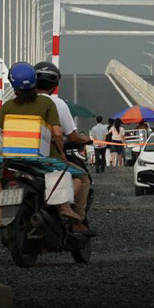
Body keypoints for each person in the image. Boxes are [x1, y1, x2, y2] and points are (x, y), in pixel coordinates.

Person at [0, 63, 89, 231]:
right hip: (42, 156)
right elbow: (58, 133)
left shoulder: (8, 106)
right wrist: (61, 154)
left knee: (2, 176)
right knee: (79, 176)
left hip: (13, 156)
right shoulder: (46, 103)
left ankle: (0, 214)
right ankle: (65, 208)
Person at [31, 61, 94, 224]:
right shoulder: (57, 104)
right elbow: (69, 137)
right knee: (82, 176)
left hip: (16, 154)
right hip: (46, 156)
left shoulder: (18, 103)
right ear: (54, 85)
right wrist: (83, 139)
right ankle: (77, 218)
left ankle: (0, 215)